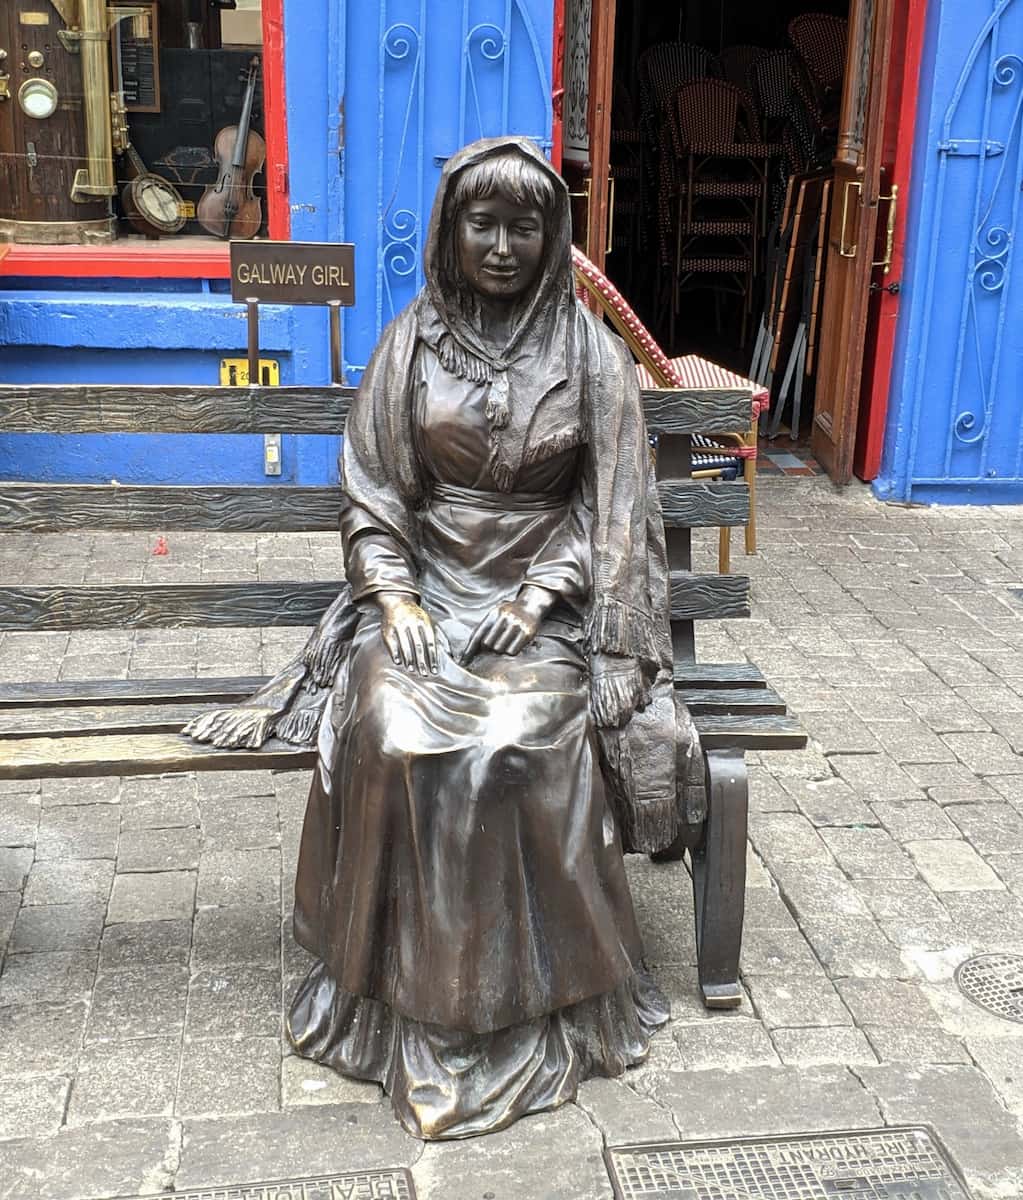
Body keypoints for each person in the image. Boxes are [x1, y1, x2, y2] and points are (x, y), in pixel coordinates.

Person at [189, 136, 687, 1139]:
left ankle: (519, 1012)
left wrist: (543, 595)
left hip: (546, 607)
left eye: (523, 227)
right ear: (450, 232)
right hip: (426, 595)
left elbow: (616, 508)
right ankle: (395, 1005)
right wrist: (398, 603)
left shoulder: (589, 354)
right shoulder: (408, 346)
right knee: (391, 728)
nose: (502, 246)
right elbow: (373, 496)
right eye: (482, 224)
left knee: (517, 743)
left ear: (552, 237)